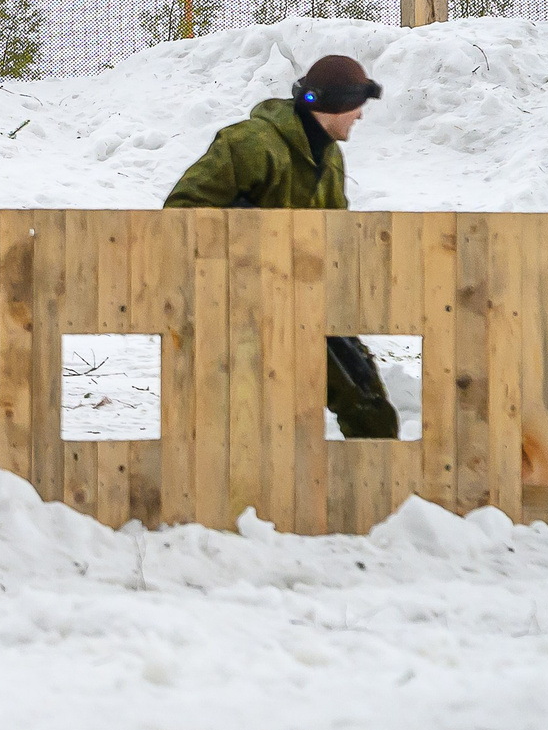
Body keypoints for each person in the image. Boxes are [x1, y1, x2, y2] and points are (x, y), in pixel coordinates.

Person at [164, 53, 402, 440]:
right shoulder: (250, 144)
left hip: (304, 300)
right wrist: (246, 228)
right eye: (356, 106)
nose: (360, 116)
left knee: (364, 393)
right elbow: (180, 213)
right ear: (336, 104)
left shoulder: (331, 158)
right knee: (244, 422)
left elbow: (334, 234)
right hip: (233, 301)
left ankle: (382, 491)